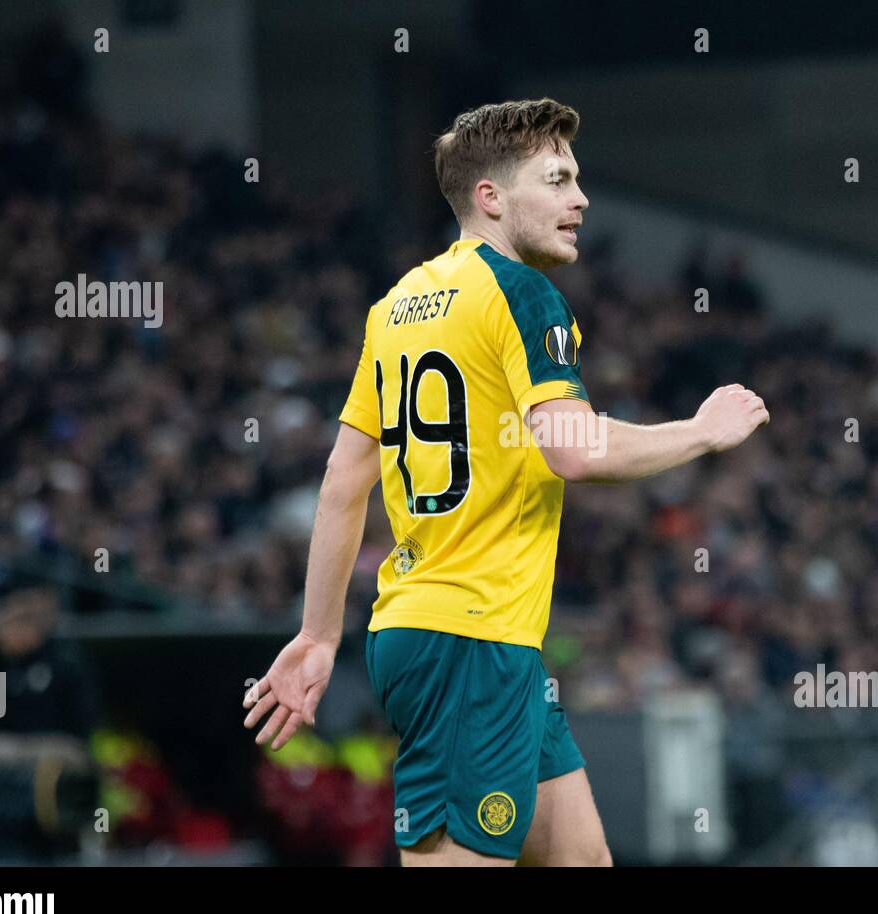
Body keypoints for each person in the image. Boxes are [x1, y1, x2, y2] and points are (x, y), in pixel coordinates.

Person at [243, 99, 769, 866]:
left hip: (469, 636)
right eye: (557, 180)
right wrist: (700, 432)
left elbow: (342, 482)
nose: (580, 199)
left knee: (582, 859)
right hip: (469, 641)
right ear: (491, 197)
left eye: (577, 180)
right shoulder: (522, 294)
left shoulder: (396, 309)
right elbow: (577, 451)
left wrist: (321, 633)